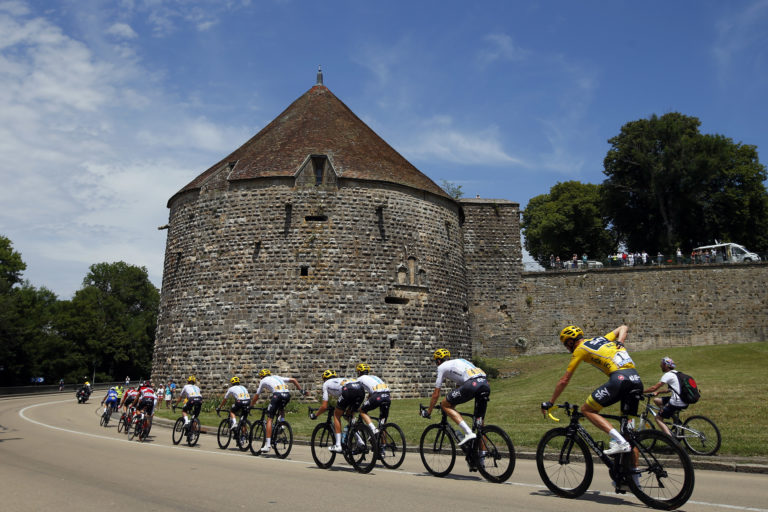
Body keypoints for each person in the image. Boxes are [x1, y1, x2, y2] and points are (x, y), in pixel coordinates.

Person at [541, 325, 643, 455]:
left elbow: (564, 380)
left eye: (566, 344)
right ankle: (632, 467)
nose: (566, 348)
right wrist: (620, 341)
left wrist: (551, 402)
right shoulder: (602, 339)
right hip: (636, 380)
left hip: (620, 380)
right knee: (629, 437)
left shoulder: (580, 349)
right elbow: (623, 327)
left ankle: (621, 442)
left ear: (571, 342)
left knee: (587, 410)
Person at [422, 348, 490, 447]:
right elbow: (458, 389)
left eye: (436, 361)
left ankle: (468, 433)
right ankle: (482, 456)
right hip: (485, 383)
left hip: (472, 384)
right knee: (480, 427)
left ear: (438, 361)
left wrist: (429, 411)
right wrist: (452, 403)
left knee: (445, 405)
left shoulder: (441, 367)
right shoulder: (460, 362)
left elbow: (436, 393)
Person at [309, 370, 365, 453]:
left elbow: (324, 406)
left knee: (337, 415)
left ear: (324, 379)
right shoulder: (340, 380)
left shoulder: (326, 384)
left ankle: (338, 445)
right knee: (348, 415)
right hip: (360, 390)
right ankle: (360, 441)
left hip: (348, 390)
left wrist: (315, 415)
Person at [251, 369, 306, 453]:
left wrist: (251, 405)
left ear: (261, 376)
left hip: (277, 395)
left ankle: (267, 445)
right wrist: (301, 390)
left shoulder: (263, 380)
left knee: (269, 418)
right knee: (281, 408)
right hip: (287, 395)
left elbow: (257, 395)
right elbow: (293, 380)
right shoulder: (277, 377)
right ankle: (282, 424)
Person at [642, 357, 688, 437]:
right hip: (684, 400)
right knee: (657, 400)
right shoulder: (677, 373)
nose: (660, 366)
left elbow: (654, 388)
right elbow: (669, 390)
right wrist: (658, 392)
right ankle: (675, 419)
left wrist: (641, 392)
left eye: (662, 364)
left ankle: (671, 440)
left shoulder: (668, 375)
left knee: (658, 418)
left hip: (677, 402)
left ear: (666, 365)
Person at [355, 363, 391, 436]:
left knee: (362, 411)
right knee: (382, 425)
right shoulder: (374, 377)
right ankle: (382, 442)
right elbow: (371, 392)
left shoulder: (359, 379)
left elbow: (356, 393)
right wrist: (367, 400)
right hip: (387, 396)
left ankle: (374, 430)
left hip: (378, 395)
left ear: (359, 372)